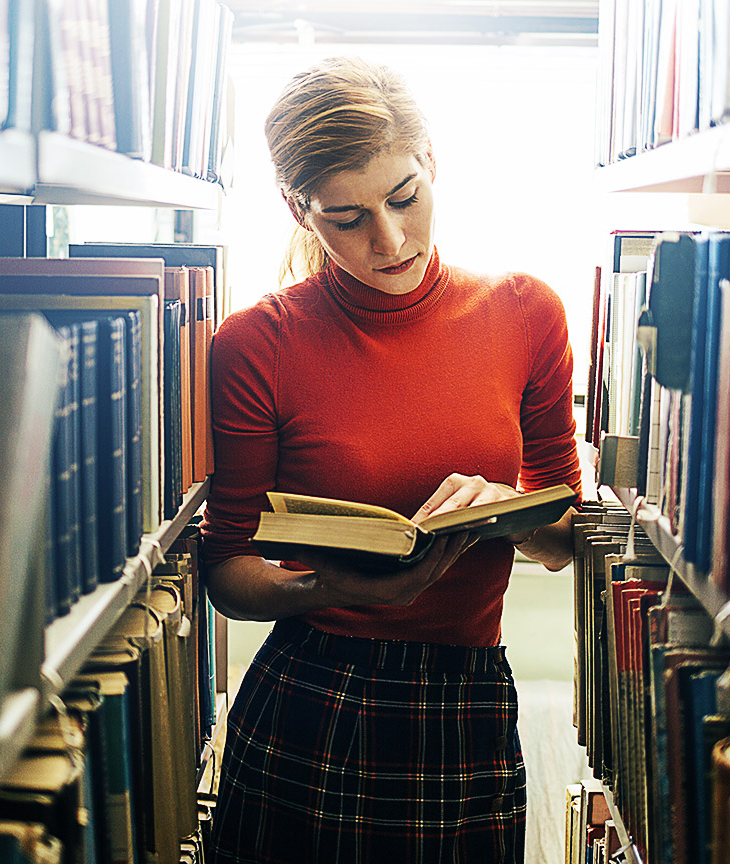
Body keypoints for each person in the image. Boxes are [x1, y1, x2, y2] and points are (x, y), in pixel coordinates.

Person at [199, 56, 583, 863]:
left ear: (432, 163)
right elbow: (228, 569)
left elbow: (562, 542)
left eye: (404, 197)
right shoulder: (253, 344)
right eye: (346, 218)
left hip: (467, 695)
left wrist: (501, 510)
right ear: (297, 211)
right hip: (312, 694)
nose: (390, 238)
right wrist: (331, 584)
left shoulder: (527, 313)